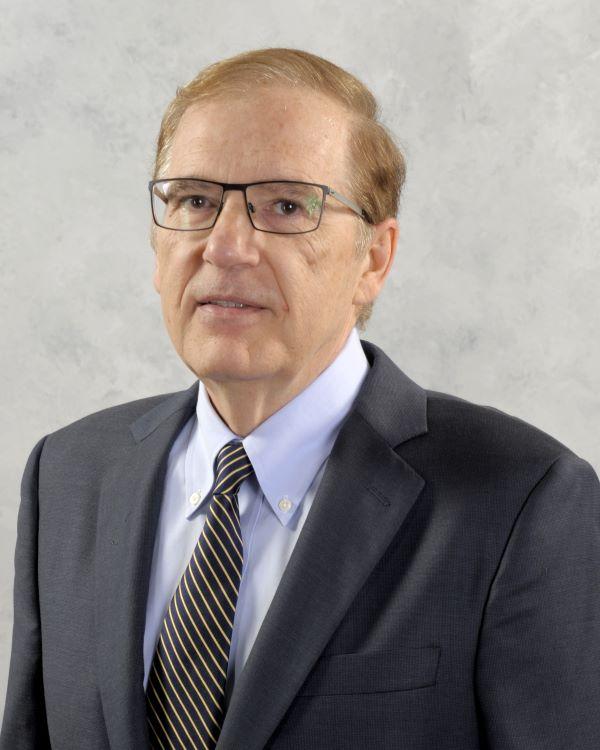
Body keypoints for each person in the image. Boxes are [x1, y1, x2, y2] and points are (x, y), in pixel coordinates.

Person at [2, 47, 599, 750]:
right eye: (194, 201)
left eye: (287, 206)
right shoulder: (68, 475)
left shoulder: (523, 500)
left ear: (374, 258)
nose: (225, 247)